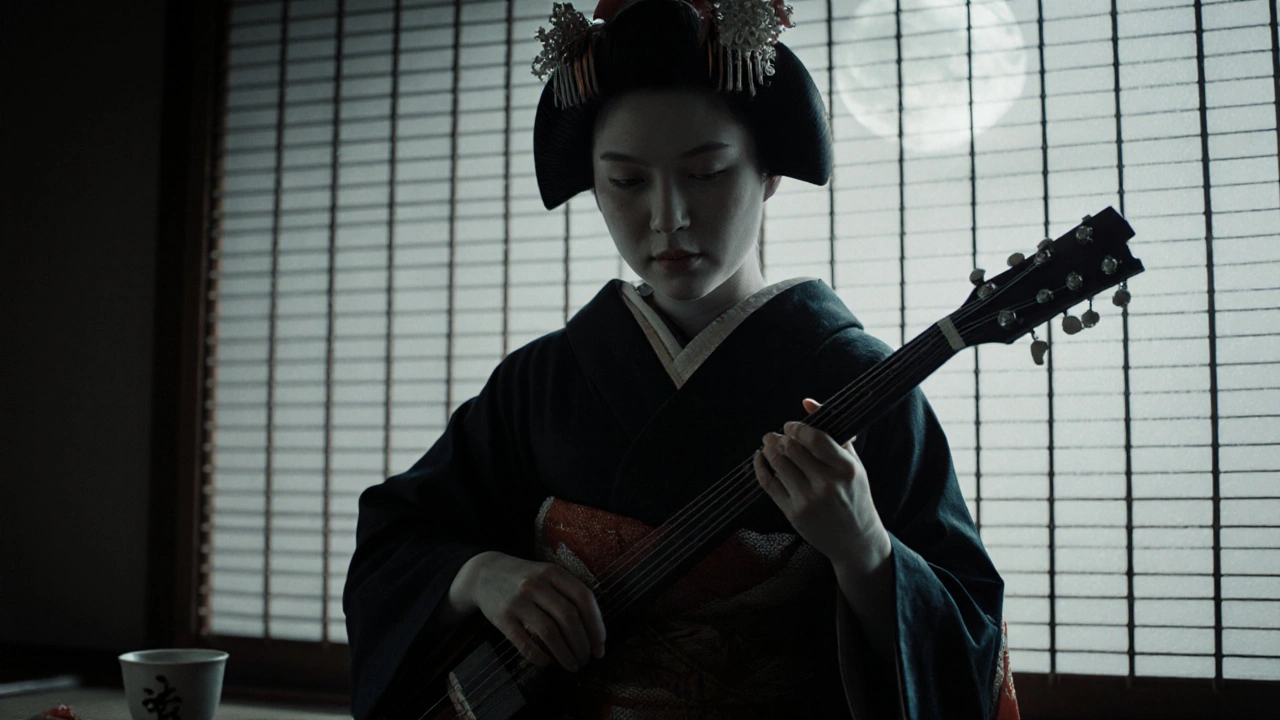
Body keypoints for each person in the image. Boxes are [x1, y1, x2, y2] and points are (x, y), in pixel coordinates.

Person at [344, 1, 1016, 718]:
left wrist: (867, 551)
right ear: (594, 188)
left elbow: (966, 647)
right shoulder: (539, 385)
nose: (668, 217)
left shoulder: (864, 382)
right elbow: (398, 542)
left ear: (768, 173)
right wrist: (481, 575)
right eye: (627, 182)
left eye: (706, 173)